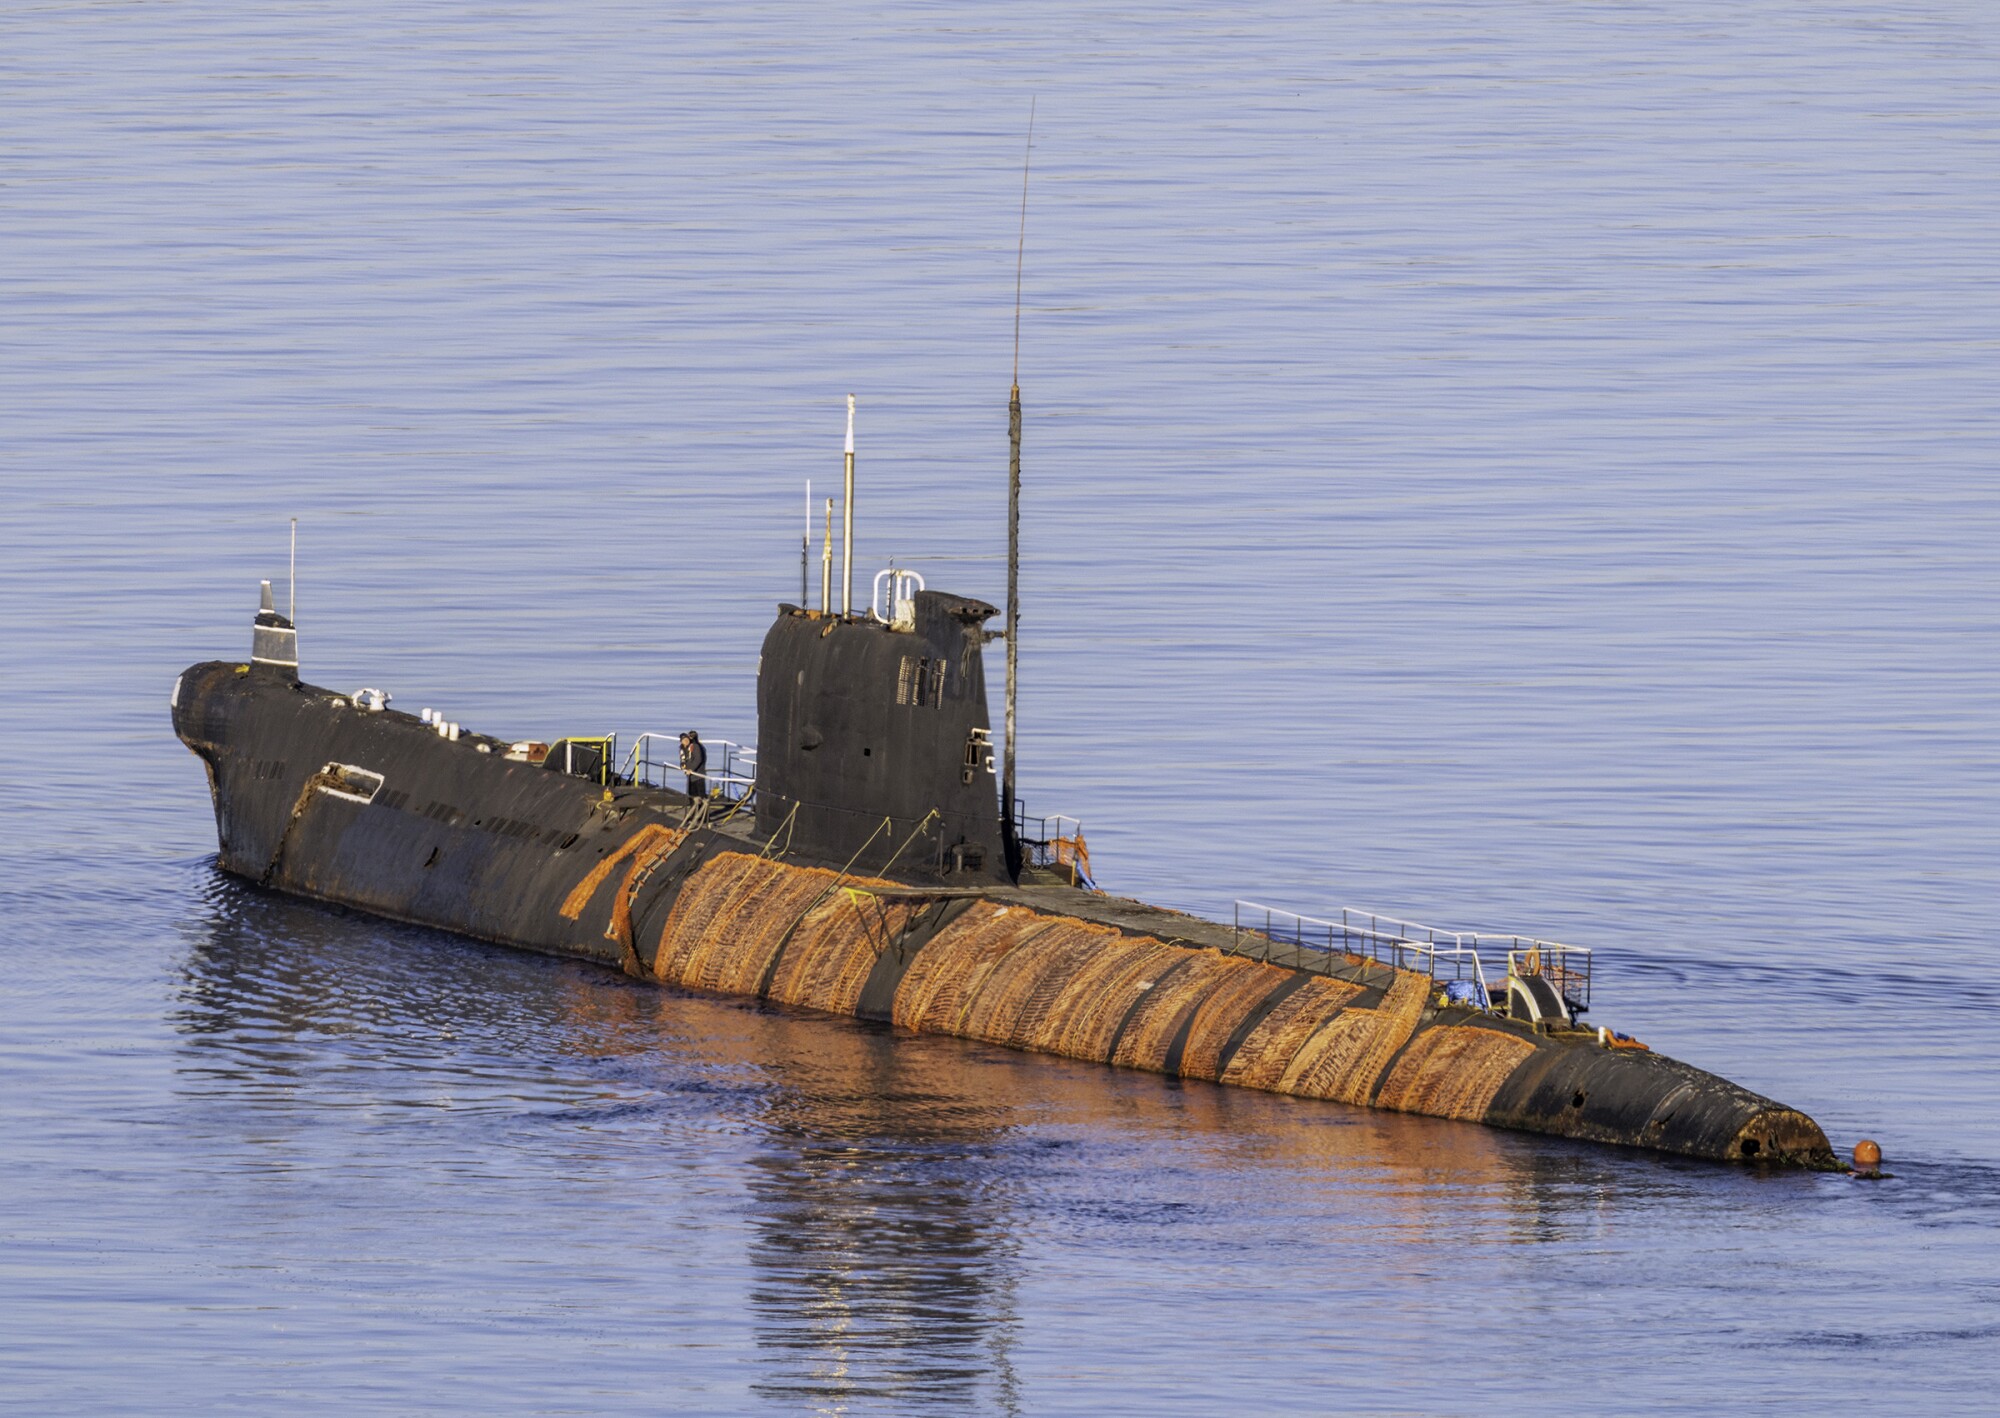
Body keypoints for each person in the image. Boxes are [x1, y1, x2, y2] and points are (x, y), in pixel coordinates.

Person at [680, 730, 708, 800]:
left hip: (698, 774)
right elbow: (684, 758)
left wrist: (691, 769)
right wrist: (683, 765)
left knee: (699, 794)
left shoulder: (695, 746)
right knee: (692, 793)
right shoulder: (685, 748)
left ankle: (701, 805)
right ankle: (694, 804)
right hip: (691, 774)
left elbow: (698, 759)